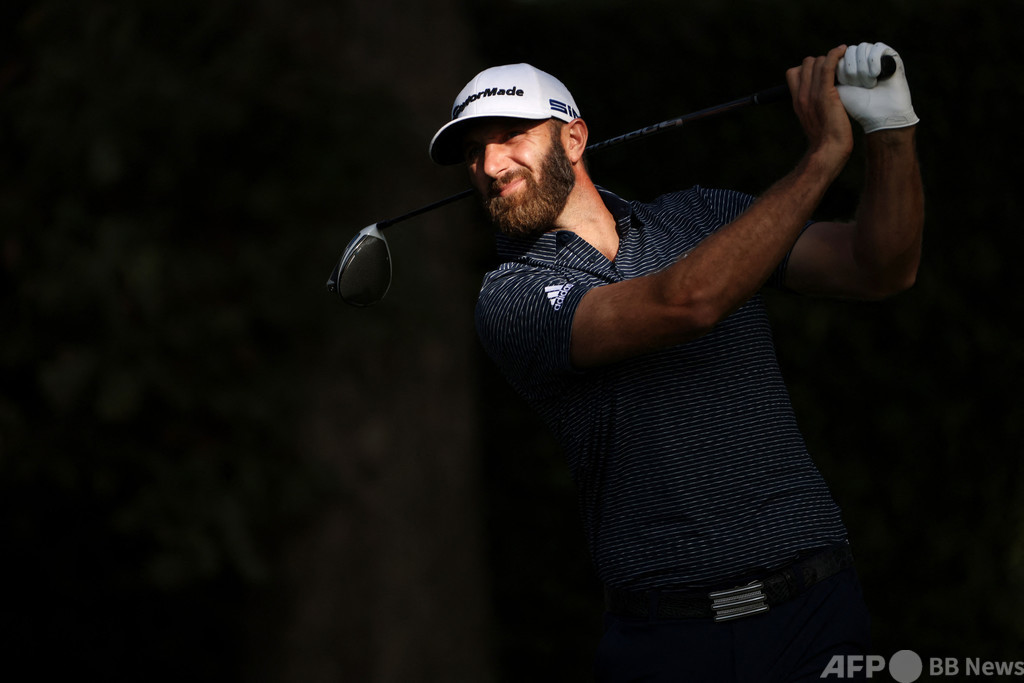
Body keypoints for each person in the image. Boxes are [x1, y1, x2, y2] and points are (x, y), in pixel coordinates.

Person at [429, 43, 923, 682]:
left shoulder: (701, 216)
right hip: (669, 641)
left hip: (815, 612)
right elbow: (686, 304)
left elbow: (878, 267)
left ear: (573, 139)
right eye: (474, 152)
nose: (490, 165)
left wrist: (891, 131)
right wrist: (824, 156)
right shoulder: (510, 298)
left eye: (510, 136)